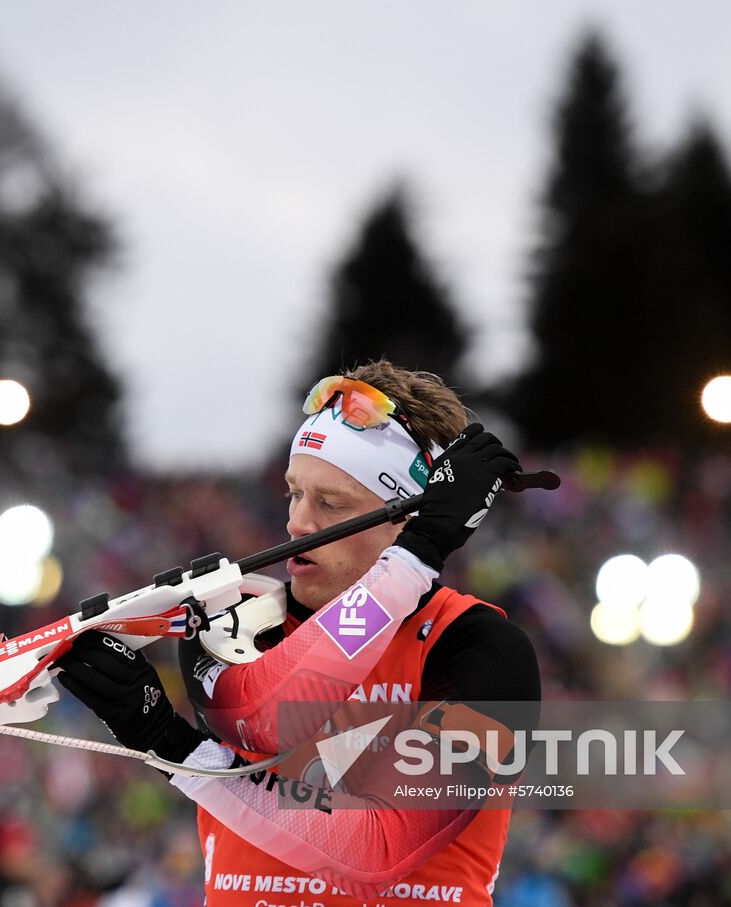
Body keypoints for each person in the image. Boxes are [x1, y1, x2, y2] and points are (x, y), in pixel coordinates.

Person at [56, 360, 542, 905]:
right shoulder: (240, 624)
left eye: (330, 503)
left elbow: (377, 852)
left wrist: (173, 746)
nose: (297, 524)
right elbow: (259, 717)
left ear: (410, 519)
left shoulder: (481, 649)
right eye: (294, 493)